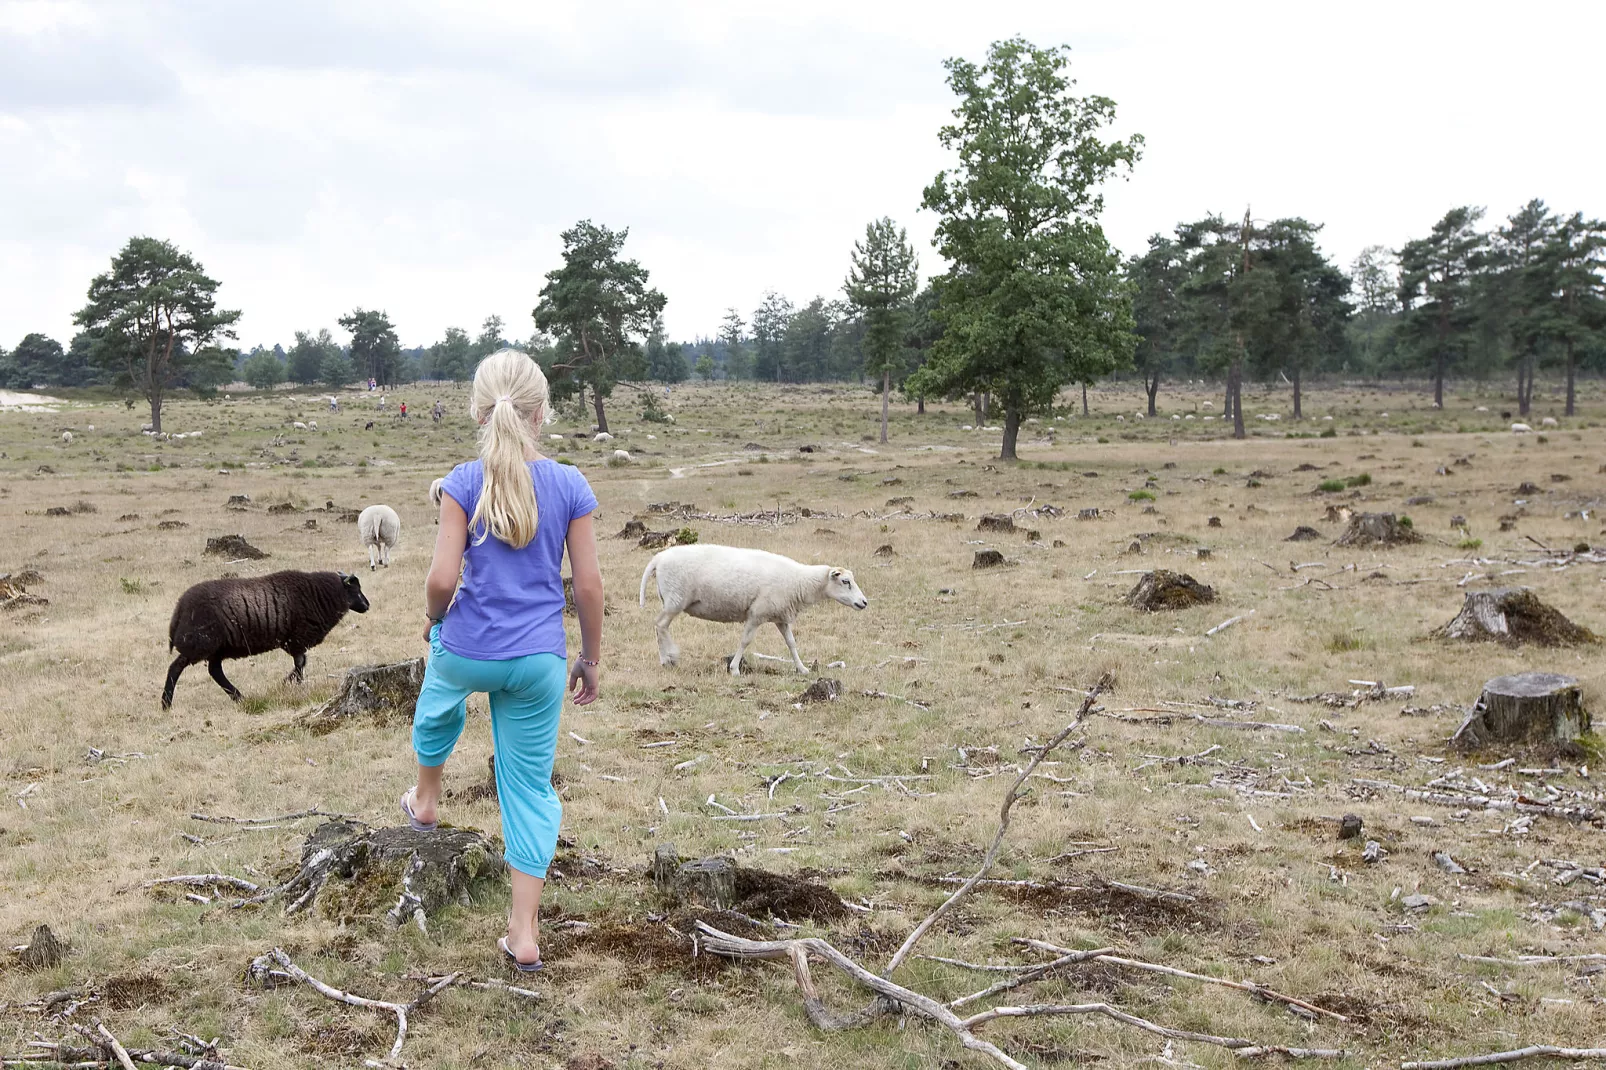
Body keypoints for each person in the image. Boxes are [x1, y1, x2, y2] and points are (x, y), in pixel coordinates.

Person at [403, 348, 603, 972]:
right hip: (541, 659)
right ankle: (523, 933)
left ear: (478, 412)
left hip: (467, 650)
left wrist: (436, 623)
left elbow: (441, 578)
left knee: (437, 705)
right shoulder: (570, 483)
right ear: (542, 413)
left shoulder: (463, 481)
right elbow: (590, 586)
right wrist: (590, 659)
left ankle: (426, 799)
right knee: (528, 788)